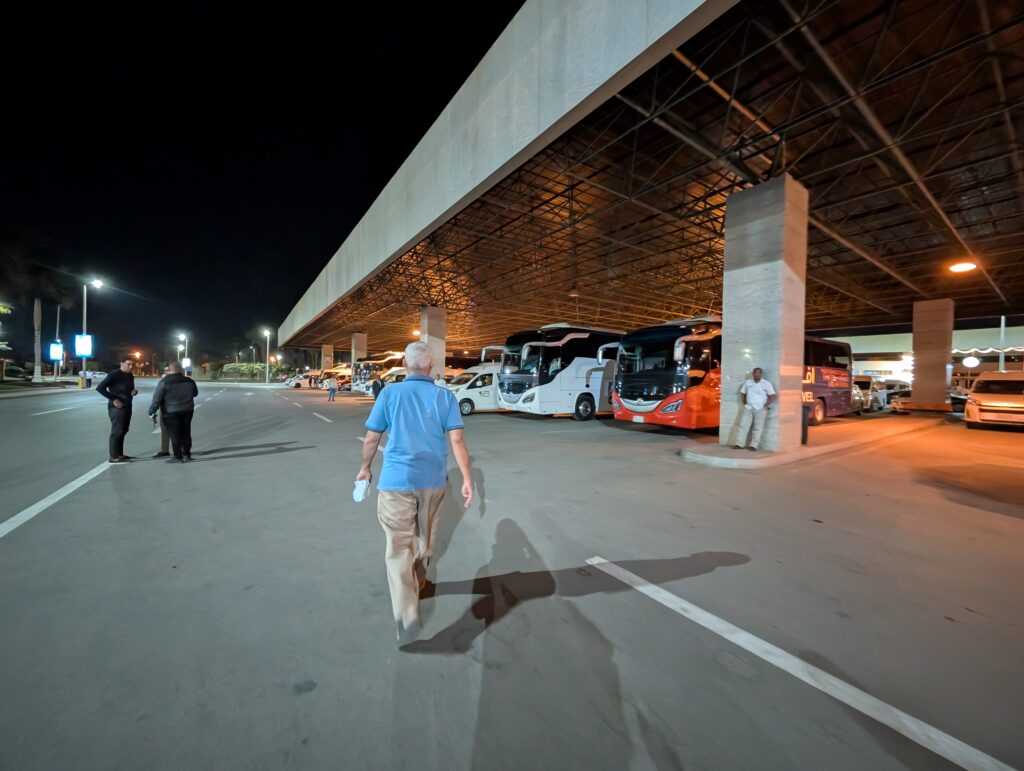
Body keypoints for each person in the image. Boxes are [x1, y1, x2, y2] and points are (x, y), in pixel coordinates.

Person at [357, 341, 473, 646]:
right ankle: (418, 581)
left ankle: (407, 613)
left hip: (396, 481)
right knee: (425, 539)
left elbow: (372, 437)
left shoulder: (390, 394)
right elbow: (457, 441)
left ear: (406, 366)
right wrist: (468, 479)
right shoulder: (444, 396)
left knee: (398, 547)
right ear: (431, 367)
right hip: (433, 481)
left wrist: (365, 468)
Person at [148, 362, 199, 462]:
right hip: (187, 410)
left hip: (171, 411)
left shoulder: (165, 381)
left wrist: (152, 411)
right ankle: (187, 454)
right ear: (180, 369)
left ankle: (178, 456)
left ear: (171, 369)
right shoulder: (189, 381)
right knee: (186, 432)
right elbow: (195, 393)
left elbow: (157, 398)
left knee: (175, 433)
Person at [96, 358, 138, 462]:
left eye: (132, 365)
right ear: (122, 364)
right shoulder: (114, 374)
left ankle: (120, 454)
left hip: (127, 405)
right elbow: (100, 388)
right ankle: (113, 456)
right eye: (129, 364)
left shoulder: (130, 375)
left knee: (124, 430)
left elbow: (129, 389)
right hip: (117, 408)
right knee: (117, 431)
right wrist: (114, 399)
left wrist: (133, 392)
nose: (131, 367)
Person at [729, 367, 777, 451]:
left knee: (757, 427)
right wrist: (745, 403)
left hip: (760, 408)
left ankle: (754, 445)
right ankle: (739, 444)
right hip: (748, 407)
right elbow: (742, 393)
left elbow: (773, 396)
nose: (757, 374)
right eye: (755, 373)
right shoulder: (748, 382)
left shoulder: (766, 383)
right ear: (753, 374)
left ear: (761, 374)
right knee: (743, 425)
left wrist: (766, 404)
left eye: (759, 373)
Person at [153, 366, 172, 458]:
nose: (166, 372)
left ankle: (180, 450)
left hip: (169, 409)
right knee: (165, 430)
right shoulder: (182, 379)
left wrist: (152, 410)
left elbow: (158, 396)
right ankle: (165, 449)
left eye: (168, 370)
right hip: (176, 408)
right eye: (165, 370)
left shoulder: (164, 381)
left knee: (175, 430)